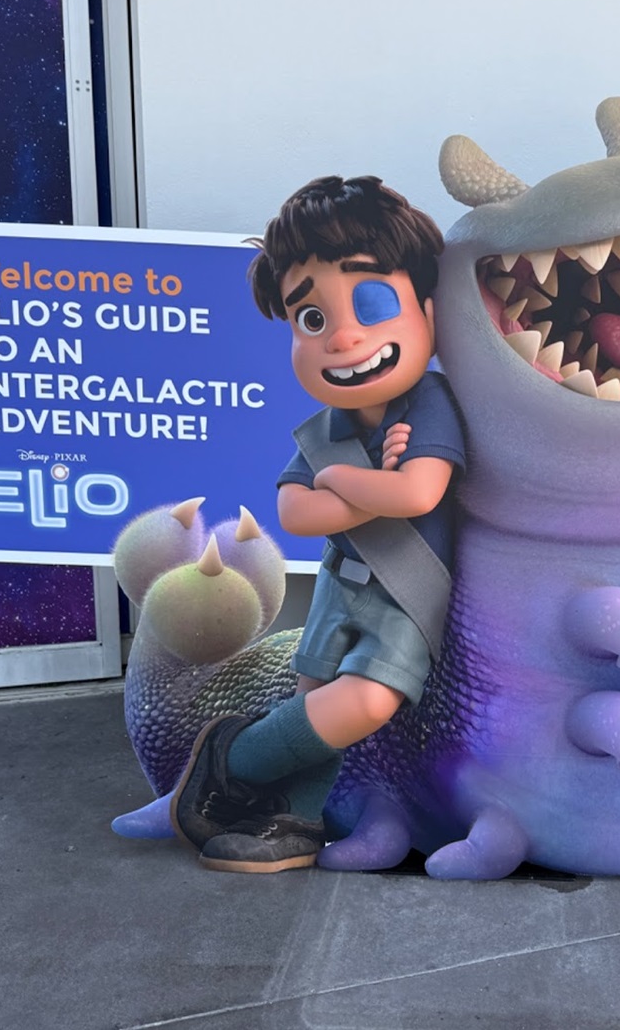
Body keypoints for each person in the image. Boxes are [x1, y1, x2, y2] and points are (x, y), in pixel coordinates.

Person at [170, 175, 464, 874]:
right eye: (311, 318)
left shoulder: (429, 402)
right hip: (339, 586)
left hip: (405, 596)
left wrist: (347, 482)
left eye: (373, 302)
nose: (345, 336)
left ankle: (234, 760)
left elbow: (419, 491)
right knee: (314, 703)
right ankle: (293, 820)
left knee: (366, 700)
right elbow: (296, 512)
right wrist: (366, 484)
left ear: (428, 309)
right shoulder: (325, 429)